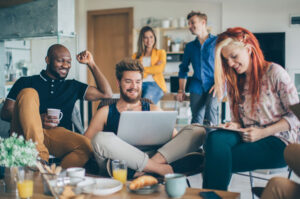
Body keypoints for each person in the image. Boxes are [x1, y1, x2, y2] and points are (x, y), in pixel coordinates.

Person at [202, 27, 300, 190]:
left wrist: (262, 132)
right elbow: (238, 122)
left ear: (248, 49)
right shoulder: (235, 81)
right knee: (214, 138)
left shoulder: (275, 73)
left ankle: (212, 195)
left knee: (215, 159)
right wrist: (234, 125)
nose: (231, 64)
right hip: (248, 135)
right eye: (227, 60)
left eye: (234, 56)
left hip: (280, 142)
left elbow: (296, 117)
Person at [84, 58, 205, 177]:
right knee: (100, 138)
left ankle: (143, 170)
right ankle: (157, 168)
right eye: (128, 81)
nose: (134, 86)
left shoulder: (154, 110)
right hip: (118, 162)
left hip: (151, 156)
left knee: (198, 131)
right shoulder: (105, 112)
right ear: (118, 82)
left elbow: (176, 139)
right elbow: (86, 143)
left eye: (138, 82)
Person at [1, 44, 113, 169]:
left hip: (55, 135)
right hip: (23, 134)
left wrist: (91, 63)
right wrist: (36, 118)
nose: (65, 65)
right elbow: (6, 112)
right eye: (60, 61)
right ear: (47, 60)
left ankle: (54, 175)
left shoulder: (72, 86)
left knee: (86, 146)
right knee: (29, 93)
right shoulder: (26, 81)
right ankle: (39, 158)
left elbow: (106, 94)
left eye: (69, 62)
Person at [176, 11, 218, 125]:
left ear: (203, 22)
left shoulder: (217, 42)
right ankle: (197, 142)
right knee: (196, 117)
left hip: (215, 83)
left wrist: (220, 82)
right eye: (188, 23)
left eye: (192, 23)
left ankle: (212, 141)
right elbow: (183, 69)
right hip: (197, 84)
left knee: (211, 111)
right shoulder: (189, 47)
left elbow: (226, 65)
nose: (189, 26)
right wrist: (181, 90)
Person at [132, 26, 167, 104]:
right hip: (138, 84)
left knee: (145, 104)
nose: (149, 40)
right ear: (142, 39)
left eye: (151, 37)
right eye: (146, 38)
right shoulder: (135, 56)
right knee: (131, 104)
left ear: (154, 37)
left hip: (155, 84)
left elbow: (159, 69)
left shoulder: (161, 53)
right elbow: (134, 72)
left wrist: (142, 69)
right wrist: (153, 68)